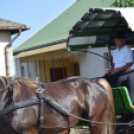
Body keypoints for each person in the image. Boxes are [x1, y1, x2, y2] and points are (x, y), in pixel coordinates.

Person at [117, 39, 134, 109]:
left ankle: (131, 103)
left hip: (132, 71)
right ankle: (120, 101)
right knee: (120, 78)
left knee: (131, 78)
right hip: (131, 71)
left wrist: (131, 68)